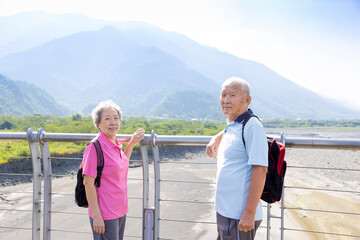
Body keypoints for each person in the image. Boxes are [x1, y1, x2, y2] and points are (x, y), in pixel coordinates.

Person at [206, 77, 268, 240]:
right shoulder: (233, 124)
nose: (226, 100)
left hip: (239, 215)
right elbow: (232, 128)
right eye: (223, 95)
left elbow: (260, 170)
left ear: (247, 100)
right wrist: (216, 137)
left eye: (232, 95)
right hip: (225, 211)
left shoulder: (252, 126)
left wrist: (249, 213)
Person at [82, 100, 145, 240]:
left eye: (116, 118)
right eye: (107, 118)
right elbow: (88, 183)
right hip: (105, 214)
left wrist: (131, 143)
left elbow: (122, 164)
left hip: (120, 210)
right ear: (98, 123)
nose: (113, 122)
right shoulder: (94, 147)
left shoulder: (115, 144)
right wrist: (97, 217)